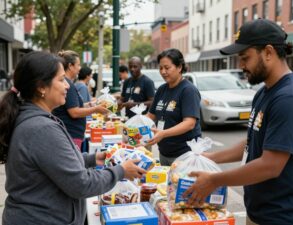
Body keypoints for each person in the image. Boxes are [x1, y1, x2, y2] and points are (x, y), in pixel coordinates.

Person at [0, 51, 146, 225]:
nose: (67, 86)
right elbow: (81, 184)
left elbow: (53, 163)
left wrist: (93, 159)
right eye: (61, 80)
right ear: (41, 87)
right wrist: (120, 171)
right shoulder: (41, 129)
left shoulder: (35, 120)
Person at [184, 19, 293, 225]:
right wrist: (209, 158)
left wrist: (213, 180)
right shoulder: (263, 92)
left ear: (268, 52)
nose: (241, 65)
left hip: (283, 216)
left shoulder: (289, 98)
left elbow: (270, 165)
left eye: (245, 58)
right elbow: (251, 142)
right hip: (258, 212)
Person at [146, 48, 201, 166]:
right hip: (164, 153)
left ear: (179, 67)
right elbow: (151, 116)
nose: (163, 72)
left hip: (184, 155)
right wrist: (135, 126)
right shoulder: (161, 89)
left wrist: (163, 133)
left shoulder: (188, 90)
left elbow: (189, 123)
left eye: (167, 68)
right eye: (160, 68)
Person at [53, 50, 108, 150]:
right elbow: (74, 112)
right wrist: (96, 109)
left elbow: (74, 106)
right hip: (71, 134)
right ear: (70, 66)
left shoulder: (69, 83)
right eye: (78, 65)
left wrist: (92, 104)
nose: (79, 68)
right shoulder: (67, 85)